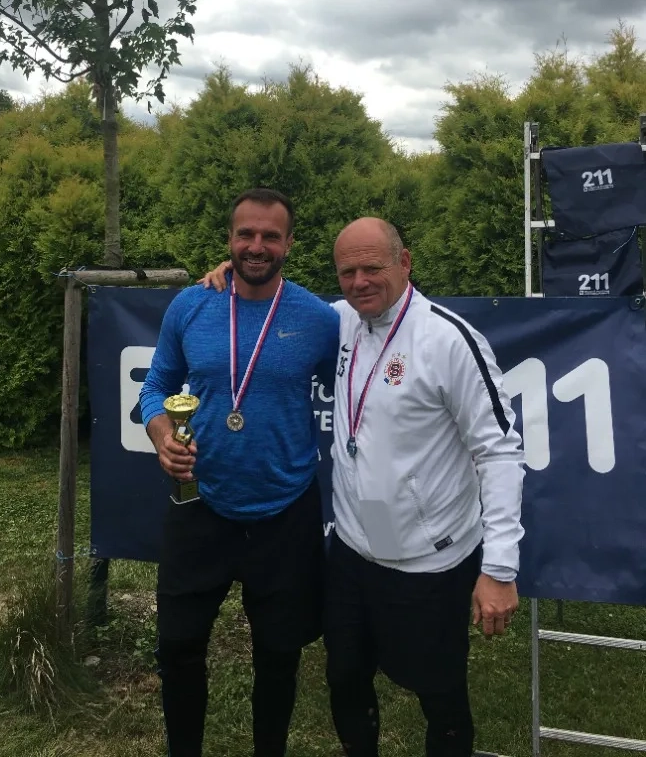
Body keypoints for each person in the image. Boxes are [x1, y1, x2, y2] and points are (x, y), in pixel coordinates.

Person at [201, 216, 525, 757]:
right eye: (346, 272)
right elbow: (272, 310)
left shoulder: (448, 340)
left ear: (405, 262)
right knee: (345, 678)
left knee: (439, 692)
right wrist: (235, 276)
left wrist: (500, 568)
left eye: (372, 268)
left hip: (431, 559)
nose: (359, 283)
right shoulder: (338, 321)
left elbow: (499, 451)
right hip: (353, 550)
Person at [139, 187, 340, 757]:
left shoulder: (319, 319)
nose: (257, 246)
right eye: (245, 234)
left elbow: (359, 377)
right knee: (178, 647)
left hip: (285, 510)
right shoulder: (191, 305)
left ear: (289, 243)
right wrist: (162, 435)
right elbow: (156, 387)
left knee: (279, 655)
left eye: (270, 236)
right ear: (229, 239)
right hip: (200, 504)